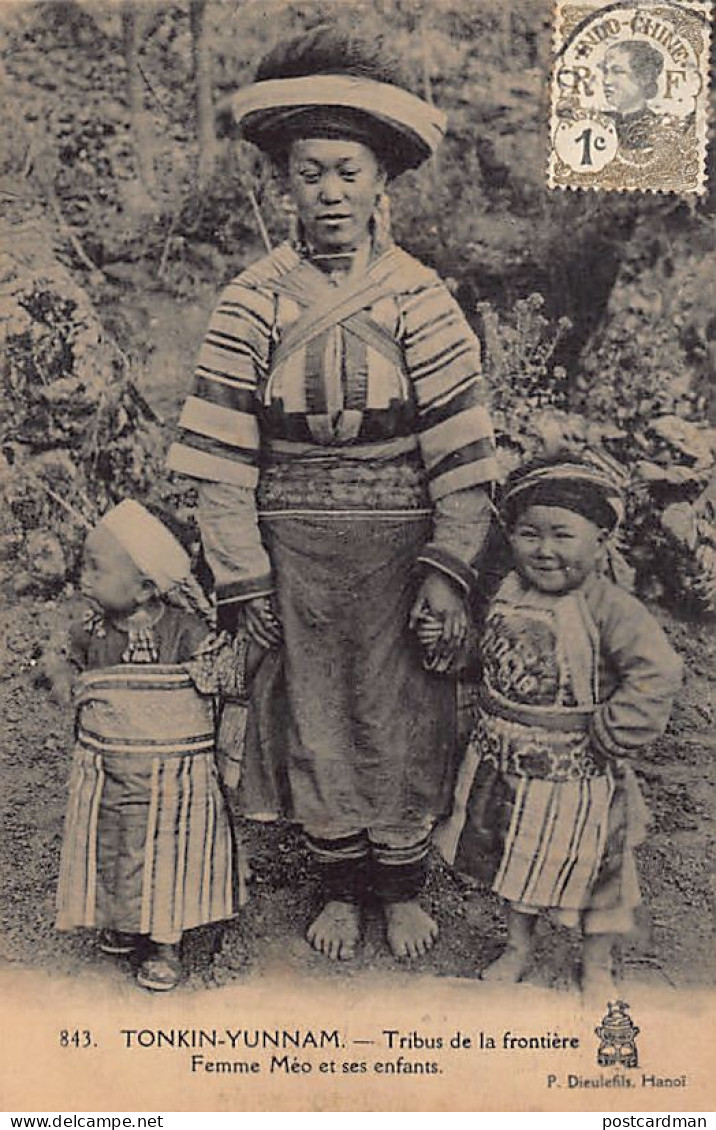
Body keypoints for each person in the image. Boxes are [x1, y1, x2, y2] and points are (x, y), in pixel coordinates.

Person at [167, 25, 499, 962]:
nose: (331, 193)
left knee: (400, 716)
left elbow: (465, 456)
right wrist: (244, 577)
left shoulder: (422, 300)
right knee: (307, 716)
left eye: (349, 173)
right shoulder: (251, 301)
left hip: (401, 548)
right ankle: (338, 884)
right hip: (292, 549)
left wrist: (448, 572)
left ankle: (400, 885)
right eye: (311, 173)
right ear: (285, 183)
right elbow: (221, 458)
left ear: (381, 180)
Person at [436, 454, 682, 996]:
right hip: (508, 762)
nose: (544, 550)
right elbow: (487, 654)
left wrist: (617, 728)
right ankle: (518, 946)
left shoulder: (609, 607)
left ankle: (596, 965)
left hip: (581, 772)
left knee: (598, 873)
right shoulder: (503, 591)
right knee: (515, 859)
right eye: (529, 533)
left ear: (599, 541)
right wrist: (455, 650)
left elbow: (658, 672)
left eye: (562, 535)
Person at [54, 500, 262, 991]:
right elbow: (68, 667)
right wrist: (67, 679)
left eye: (95, 567)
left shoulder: (186, 632)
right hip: (110, 765)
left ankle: (164, 941)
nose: (82, 576)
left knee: (169, 848)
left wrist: (249, 646)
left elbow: (227, 680)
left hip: (173, 776)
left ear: (147, 586)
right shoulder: (92, 631)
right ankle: (123, 920)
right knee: (115, 841)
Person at [600, 41, 666, 151]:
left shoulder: (659, 130)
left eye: (618, 71)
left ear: (644, 78)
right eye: (605, 71)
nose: (606, 81)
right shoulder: (598, 123)